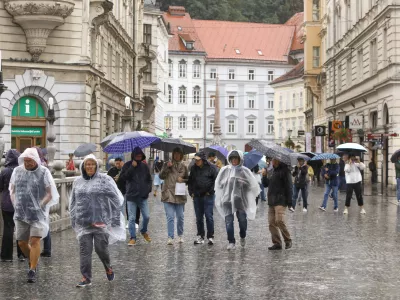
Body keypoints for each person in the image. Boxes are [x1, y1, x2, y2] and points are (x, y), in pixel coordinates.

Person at [70, 154, 125, 287]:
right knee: (85, 251)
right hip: (83, 222)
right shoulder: (77, 181)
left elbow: (116, 199)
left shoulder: (104, 180)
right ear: (83, 166)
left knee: (101, 249)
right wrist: (73, 219)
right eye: (87, 164)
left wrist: (115, 219)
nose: (89, 166)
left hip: (100, 221)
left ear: (96, 166)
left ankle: (108, 267)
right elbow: (73, 201)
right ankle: (86, 277)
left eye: (92, 164)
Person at [9, 148, 59, 283]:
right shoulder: (17, 171)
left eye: (30, 161)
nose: (27, 163)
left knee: (35, 240)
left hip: (38, 214)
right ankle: (32, 259)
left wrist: (40, 205)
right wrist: (15, 203)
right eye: (25, 161)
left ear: (35, 160)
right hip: (20, 213)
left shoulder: (43, 172)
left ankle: (32, 269)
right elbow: (12, 189)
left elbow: (50, 193)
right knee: (21, 243)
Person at [215, 150, 259, 250]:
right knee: (229, 221)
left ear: (240, 159)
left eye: (236, 158)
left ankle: (243, 235)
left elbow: (252, 185)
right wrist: (226, 181)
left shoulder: (245, 171)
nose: (234, 160)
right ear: (230, 159)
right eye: (232, 158)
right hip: (227, 200)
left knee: (242, 221)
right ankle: (231, 241)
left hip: (240, 200)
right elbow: (218, 184)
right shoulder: (225, 170)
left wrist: (241, 181)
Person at [119, 147, 152, 246]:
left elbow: (149, 179)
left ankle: (143, 230)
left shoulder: (144, 166)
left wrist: (148, 189)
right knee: (132, 219)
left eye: (140, 155)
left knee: (146, 216)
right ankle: (133, 237)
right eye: (137, 155)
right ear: (133, 155)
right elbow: (123, 178)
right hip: (131, 196)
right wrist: (132, 168)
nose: (139, 157)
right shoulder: (127, 165)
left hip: (143, 196)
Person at [187, 152, 218, 245]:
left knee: (209, 216)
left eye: (198, 160)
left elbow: (216, 181)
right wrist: (191, 192)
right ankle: (200, 236)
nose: (196, 161)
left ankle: (210, 236)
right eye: (195, 160)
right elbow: (190, 181)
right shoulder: (193, 168)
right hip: (197, 196)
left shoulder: (212, 168)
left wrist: (211, 191)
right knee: (199, 217)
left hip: (208, 196)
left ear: (203, 160)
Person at [159, 147, 189, 245]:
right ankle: (170, 237)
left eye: (178, 154)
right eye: (175, 153)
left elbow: (188, 180)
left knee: (180, 217)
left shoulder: (184, 166)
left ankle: (180, 235)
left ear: (181, 155)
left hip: (179, 194)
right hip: (168, 194)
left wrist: (183, 180)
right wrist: (167, 167)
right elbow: (161, 176)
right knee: (170, 217)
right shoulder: (167, 164)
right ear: (173, 154)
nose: (176, 155)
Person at [0, 149, 25, 262]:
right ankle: (22, 254)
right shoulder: (21, 170)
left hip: (7, 203)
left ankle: (6, 255)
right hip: (20, 203)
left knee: (8, 228)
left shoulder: (4, 171)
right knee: (21, 228)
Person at [263, 158, 293, 250]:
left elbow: (289, 186)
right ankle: (277, 243)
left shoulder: (285, 171)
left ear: (279, 160)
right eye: (272, 159)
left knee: (279, 220)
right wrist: (264, 176)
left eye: (274, 159)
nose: (272, 161)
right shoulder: (272, 171)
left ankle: (288, 240)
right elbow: (266, 184)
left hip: (281, 199)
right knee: (271, 222)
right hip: (271, 200)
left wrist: (290, 201)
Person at [34, 147, 52, 258]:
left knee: (42, 224)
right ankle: (46, 248)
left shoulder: (41, 167)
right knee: (44, 224)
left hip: (41, 199)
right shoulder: (44, 164)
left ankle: (45, 248)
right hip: (42, 199)